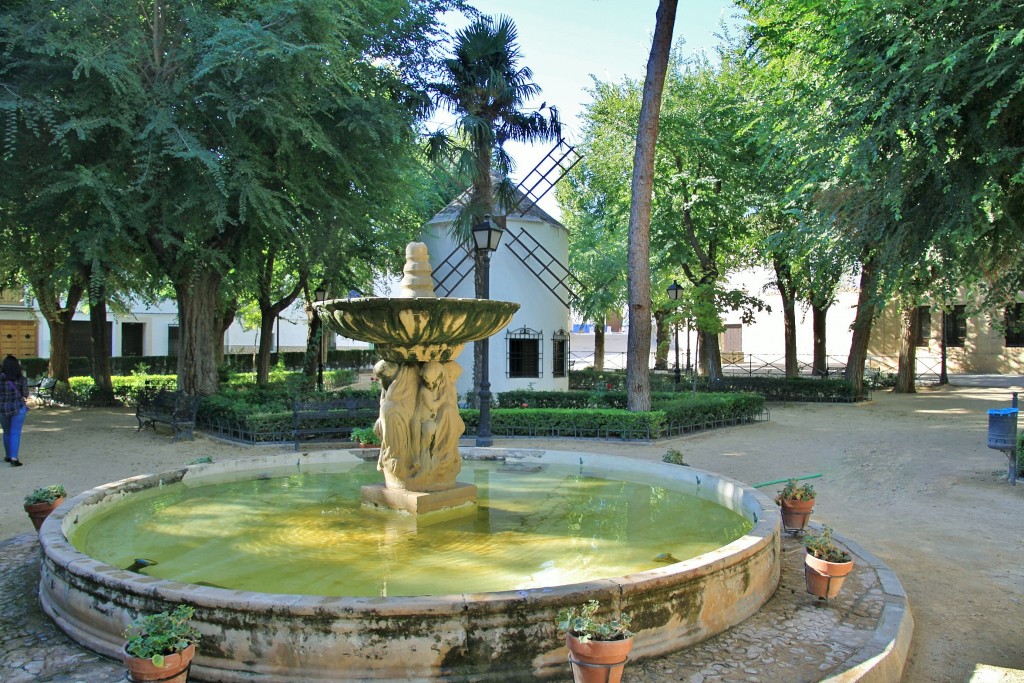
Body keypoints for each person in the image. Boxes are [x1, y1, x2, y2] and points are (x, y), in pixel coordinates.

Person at [0, 354, 28, 467]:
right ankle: (14, 458)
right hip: (18, 408)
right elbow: (25, 394)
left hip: (2, 409)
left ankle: (7, 455)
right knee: (15, 433)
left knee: (6, 432)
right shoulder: (21, 379)